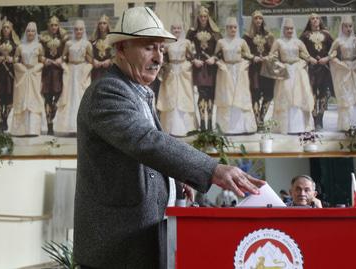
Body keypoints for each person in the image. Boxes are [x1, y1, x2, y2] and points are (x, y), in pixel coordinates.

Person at [74, 7, 265, 269]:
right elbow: (145, 141)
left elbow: (139, 153)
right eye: (149, 47)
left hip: (135, 247)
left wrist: (174, 179)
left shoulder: (136, 89)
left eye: (162, 49)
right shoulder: (108, 92)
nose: (158, 58)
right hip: (115, 253)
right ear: (121, 49)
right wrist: (211, 169)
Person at [270, 18, 316, 134]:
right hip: (284, 70)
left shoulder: (298, 42)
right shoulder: (278, 42)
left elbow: (306, 55)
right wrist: (278, 64)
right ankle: (285, 127)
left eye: (291, 29)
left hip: (297, 70)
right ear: (283, 29)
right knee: (285, 96)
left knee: (299, 95)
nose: (289, 31)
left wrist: (310, 59)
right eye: (287, 29)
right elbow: (272, 56)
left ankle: (299, 126)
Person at [328, 16, 356, 131]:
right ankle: (346, 125)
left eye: (350, 26)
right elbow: (331, 55)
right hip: (344, 69)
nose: (348, 28)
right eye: (346, 26)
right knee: (346, 95)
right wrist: (338, 63)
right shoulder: (338, 41)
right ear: (341, 27)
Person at [214, 17, 256, 135]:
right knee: (227, 97)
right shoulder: (221, 42)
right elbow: (216, 55)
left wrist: (254, 58)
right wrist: (215, 60)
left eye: (235, 27)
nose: (233, 29)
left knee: (241, 96)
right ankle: (226, 128)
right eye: (230, 27)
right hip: (226, 71)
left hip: (239, 71)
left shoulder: (241, 42)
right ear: (226, 28)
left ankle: (242, 127)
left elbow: (248, 55)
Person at [156, 22, 198, 137]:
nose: (176, 30)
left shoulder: (186, 42)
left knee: (183, 96)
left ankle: (186, 128)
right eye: (174, 28)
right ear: (171, 29)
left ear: (181, 30)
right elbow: (160, 54)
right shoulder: (168, 43)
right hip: (171, 71)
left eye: (179, 28)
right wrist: (163, 65)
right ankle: (169, 128)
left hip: (183, 72)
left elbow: (192, 56)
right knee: (170, 96)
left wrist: (192, 63)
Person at [53, 20, 93, 136]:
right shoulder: (69, 43)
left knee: (80, 97)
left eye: (80, 29)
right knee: (69, 97)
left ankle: (82, 127)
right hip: (71, 71)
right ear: (73, 30)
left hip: (81, 70)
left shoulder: (87, 44)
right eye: (76, 29)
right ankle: (69, 127)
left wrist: (87, 69)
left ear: (83, 30)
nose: (78, 31)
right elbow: (64, 57)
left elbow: (91, 60)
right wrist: (61, 62)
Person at [186, 6, 221, 131]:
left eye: (205, 16)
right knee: (202, 93)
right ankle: (202, 123)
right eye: (200, 16)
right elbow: (186, 49)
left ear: (208, 17)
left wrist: (215, 58)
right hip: (199, 66)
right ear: (198, 17)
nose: (203, 18)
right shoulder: (191, 32)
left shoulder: (215, 32)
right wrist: (193, 60)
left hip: (211, 67)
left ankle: (210, 123)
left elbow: (222, 49)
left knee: (211, 94)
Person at [299, 13, 334, 130]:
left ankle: (321, 118)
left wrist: (327, 58)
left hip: (324, 68)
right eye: (312, 19)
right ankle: (314, 119)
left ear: (320, 20)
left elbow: (334, 49)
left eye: (317, 18)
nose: (315, 20)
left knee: (324, 93)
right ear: (309, 22)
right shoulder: (305, 36)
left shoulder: (327, 35)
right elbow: (299, 51)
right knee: (312, 94)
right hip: (311, 69)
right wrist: (309, 59)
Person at [243, 10, 275, 130]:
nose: (258, 21)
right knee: (255, 94)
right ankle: (257, 122)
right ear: (252, 20)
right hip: (254, 69)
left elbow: (274, 50)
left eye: (260, 18)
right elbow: (243, 52)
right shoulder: (247, 36)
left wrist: (268, 57)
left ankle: (262, 117)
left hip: (267, 68)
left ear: (263, 20)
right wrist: (252, 57)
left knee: (269, 94)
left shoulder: (269, 35)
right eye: (256, 18)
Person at [11, 22, 45, 136]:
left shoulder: (39, 46)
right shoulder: (21, 46)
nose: (30, 33)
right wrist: (20, 67)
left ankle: (33, 130)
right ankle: (21, 130)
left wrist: (39, 66)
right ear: (26, 32)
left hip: (34, 75)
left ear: (36, 32)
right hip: (24, 75)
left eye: (33, 31)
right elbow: (15, 59)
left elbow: (42, 59)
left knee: (34, 98)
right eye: (29, 31)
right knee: (22, 98)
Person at [40, 16, 69, 135]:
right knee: (47, 97)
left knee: (58, 96)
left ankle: (53, 113)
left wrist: (62, 59)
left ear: (58, 26)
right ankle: (49, 126)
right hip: (47, 71)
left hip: (58, 71)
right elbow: (39, 54)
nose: (53, 27)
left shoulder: (64, 39)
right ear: (48, 26)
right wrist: (44, 59)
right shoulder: (43, 39)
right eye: (51, 25)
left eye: (56, 25)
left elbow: (67, 54)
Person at [0, 20, 20, 133]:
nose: (6, 29)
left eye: (8, 27)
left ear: (11, 29)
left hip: (10, 74)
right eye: (4, 27)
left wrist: (12, 60)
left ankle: (5, 118)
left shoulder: (15, 44)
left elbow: (19, 58)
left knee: (9, 99)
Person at [90, 14, 113, 82]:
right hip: (96, 71)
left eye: (104, 23)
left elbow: (117, 54)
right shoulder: (93, 40)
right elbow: (88, 54)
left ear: (108, 25)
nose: (102, 25)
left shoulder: (113, 39)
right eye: (100, 23)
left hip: (109, 70)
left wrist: (110, 61)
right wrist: (93, 60)